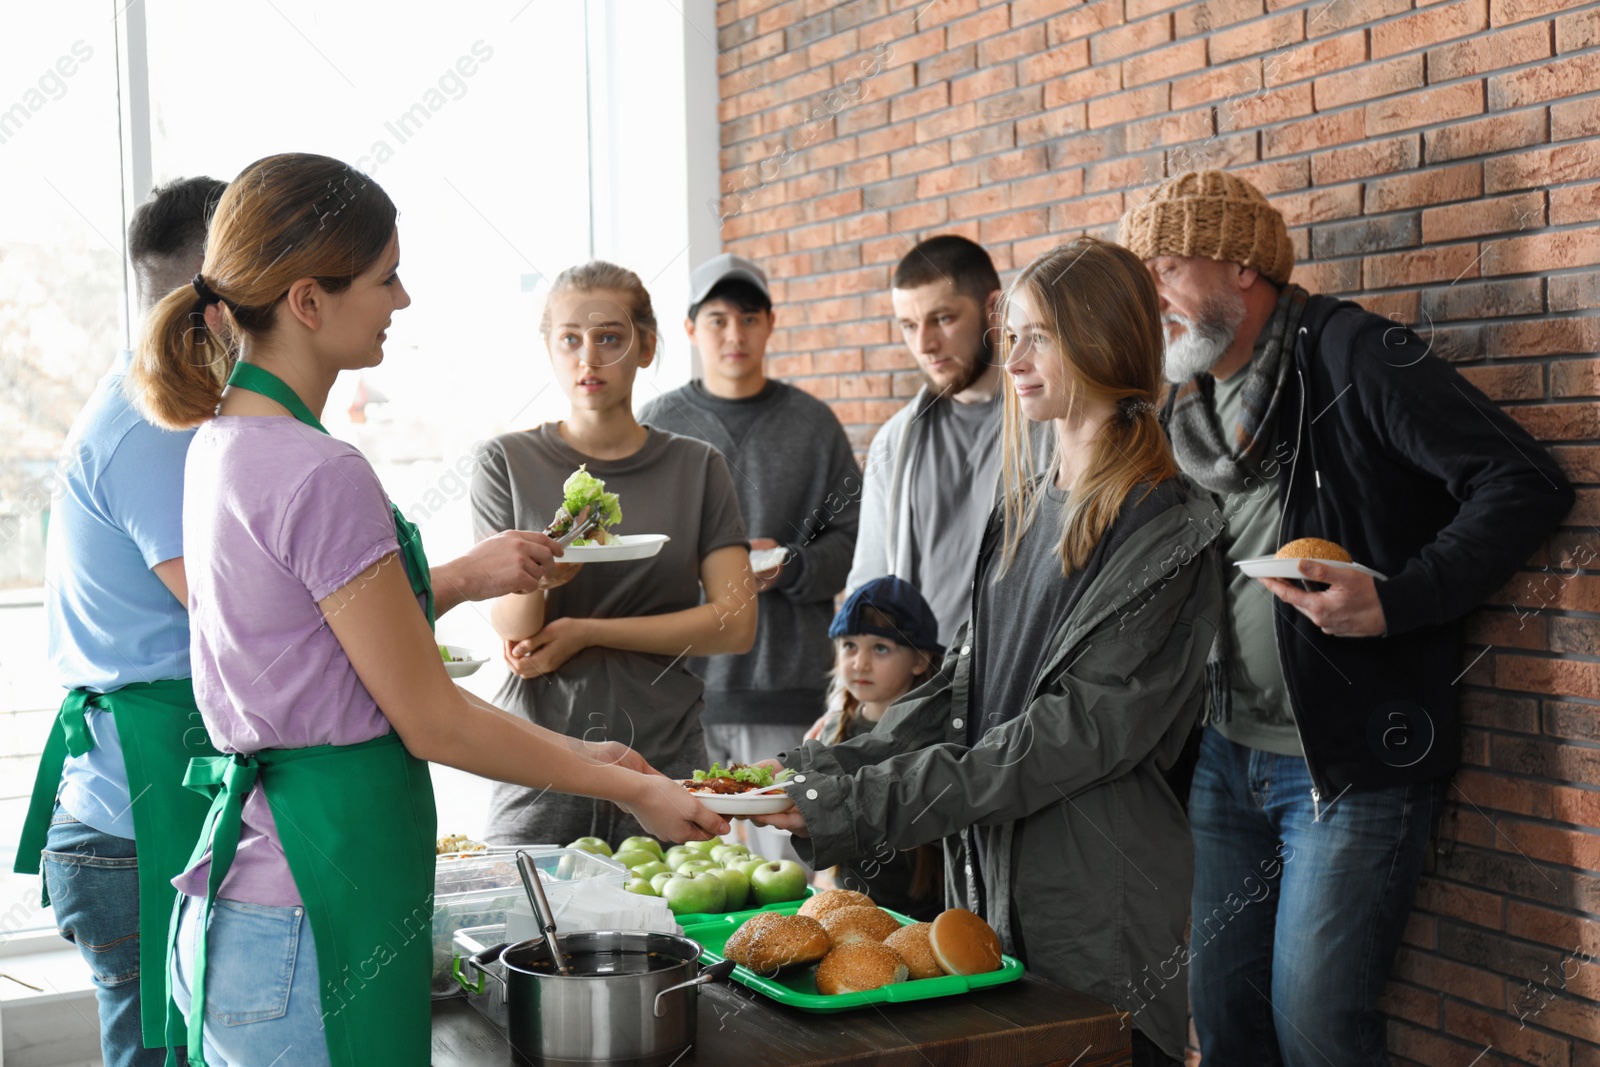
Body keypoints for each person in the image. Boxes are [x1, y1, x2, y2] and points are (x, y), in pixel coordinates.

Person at [129, 153, 726, 1067]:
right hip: (309, 915)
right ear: (308, 300)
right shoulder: (319, 471)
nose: (401, 300)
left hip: (252, 904)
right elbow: (430, 715)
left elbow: (348, 674)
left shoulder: (224, 444)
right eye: (385, 276)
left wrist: (584, 753)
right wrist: (632, 786)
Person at [1120, 169, 1576, 1066]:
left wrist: (1400, 598)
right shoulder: (1188, 404)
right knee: (1224, 1022)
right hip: (1222, 755)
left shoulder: (1351, 354)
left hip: (1347, 762)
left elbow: (1523, 481)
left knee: (1319, 1031)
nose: (1153, 296)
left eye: (1167, 266)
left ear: (1244, 264)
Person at [755, 237, 1225, 1065]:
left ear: (1105, 340)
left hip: (1098, 909)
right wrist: (820, 773)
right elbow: (965, 689)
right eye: (1012, 334)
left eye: (1038, 335)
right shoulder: (1023, 509)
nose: (1013, 359)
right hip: (991, 886)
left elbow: (1067, 734)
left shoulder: (1170, 527)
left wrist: (859, 805)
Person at [14, 176, 226, 1067]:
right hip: (130, 830)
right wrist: (440, 584)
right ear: (217, 285)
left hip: (131, 815)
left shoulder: (153, 402)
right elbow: (238, 616)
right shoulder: (157, 422)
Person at [475, 260, 758, 848]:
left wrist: (590, 631)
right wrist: (545, 578)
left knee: (677, 932)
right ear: (549, 348)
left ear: (647, 346)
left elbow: (734, 624)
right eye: (570, 339)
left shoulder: (698, 465)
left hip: (667, 754)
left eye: (610, 337)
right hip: (540, 756)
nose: (589, 358)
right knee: (520, 931)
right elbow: (513, 627)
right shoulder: (503, 461)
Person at [638, 253, 860, 862]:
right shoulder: (659, 425)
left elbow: (851, 545)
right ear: (690, 330)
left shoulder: (814, 425)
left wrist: (790, 563)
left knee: (783, 883)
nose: (733, 334)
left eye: (748, 318)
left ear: (769, 324)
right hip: (680, 696)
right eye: (716, 320)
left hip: (787, 696)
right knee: (689, 876)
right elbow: (629, 556)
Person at [845, 235, 1007, 644]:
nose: (924, 345)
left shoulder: (1051, 425)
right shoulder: (893, 441)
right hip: (923, 688)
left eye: (943, 319)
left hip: (1018, 687)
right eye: (909, 326)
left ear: (995, 309)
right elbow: (870, 577)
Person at [807, 577, 942, 920]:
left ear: (920, 660)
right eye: (849, 645)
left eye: (881, 648)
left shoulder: (937, 733)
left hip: (924, 915)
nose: (860, 663)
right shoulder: (832, 729)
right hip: (851, 908)